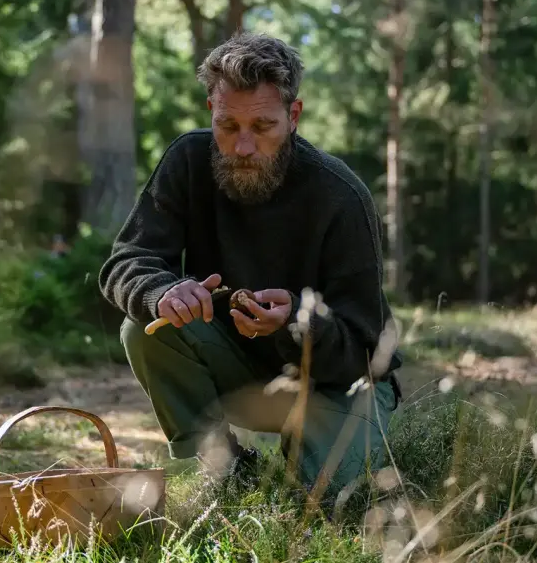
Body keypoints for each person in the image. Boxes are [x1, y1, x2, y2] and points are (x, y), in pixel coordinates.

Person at [98, 33, 402, 505]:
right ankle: (223, 467)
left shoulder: (341, 196)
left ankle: (313, 457)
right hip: (240, 370)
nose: (241, 146)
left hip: (338, 384)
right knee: (144, 329)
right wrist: (163, 292)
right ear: (211, 111)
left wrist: (300, 322)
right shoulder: (187, 161)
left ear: (293, 116)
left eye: (262, 126)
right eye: (227, 125)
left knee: (332, 502)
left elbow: (366, 350)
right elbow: (126, 261)